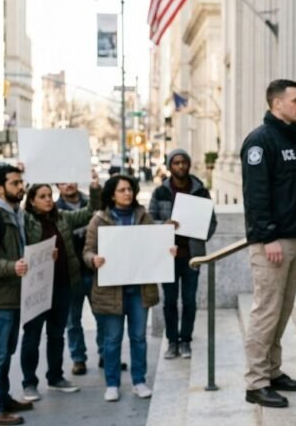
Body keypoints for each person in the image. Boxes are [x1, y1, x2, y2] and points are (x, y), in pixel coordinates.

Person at [240, 79, 296, 408]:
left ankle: (272, 371)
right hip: (271, 243)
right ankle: (256, 382)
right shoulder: (260, 142)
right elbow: (256, 196)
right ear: (276, 104)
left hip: (294, 238)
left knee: (282, 312)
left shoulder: (294, 140)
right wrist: (268, 236)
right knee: (266, 312)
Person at [83, 175, 170, 402]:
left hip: (139, 289)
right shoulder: (99, 219)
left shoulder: (143, 217)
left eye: (130, 189)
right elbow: (87, 251)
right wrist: (94, 260)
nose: (127, 193)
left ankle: (139, 381)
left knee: (138, 338)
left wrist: (166, 252)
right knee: (112, 339)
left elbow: (155, 247)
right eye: (122, 190)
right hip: (111, 290)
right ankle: (112, 384)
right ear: (112, 194)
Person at [19, 179, 100, 402]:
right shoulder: (25, 221)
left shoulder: (61, 217)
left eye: (49, 195)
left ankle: (55, 377)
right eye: (42, 196)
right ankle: (29, 384)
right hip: (37, 287)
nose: (48, 200)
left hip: (63, 285)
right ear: (32, 201)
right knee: (32, 337)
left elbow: (91, 211)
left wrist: (94, 188)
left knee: (56, 335)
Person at [148, 148, 217, 360]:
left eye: (183, 162)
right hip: (168, 256)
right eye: (176, 163)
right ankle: (172, 342)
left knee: (189, 300)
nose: (180, 166)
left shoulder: (200, 191)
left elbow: (212, 222)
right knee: (169, 301)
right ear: (170, 166)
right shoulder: (160, 192)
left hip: (192, 257)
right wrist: (164, 225)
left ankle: (186, 340)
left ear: (188, 164)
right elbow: (149, 221)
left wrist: (199, 233)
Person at [0, 166, 36, 425]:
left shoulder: (14, 213)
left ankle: (2, 398)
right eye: (15, 183)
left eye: (21, 181)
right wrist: (12, 267)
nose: (21, 187)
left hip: (13, 296)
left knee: (5, 354)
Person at [60, 181, 125, 375]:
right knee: (73, 321)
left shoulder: (93, 204)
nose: (69, 184)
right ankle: (78, 358)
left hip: (96, 271)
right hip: (72, 275)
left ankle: (107, 355)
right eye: (63, 181)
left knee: (103, 317)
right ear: (57, 185)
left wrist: (96, 188)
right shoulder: (54, 209)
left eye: (71, 179)